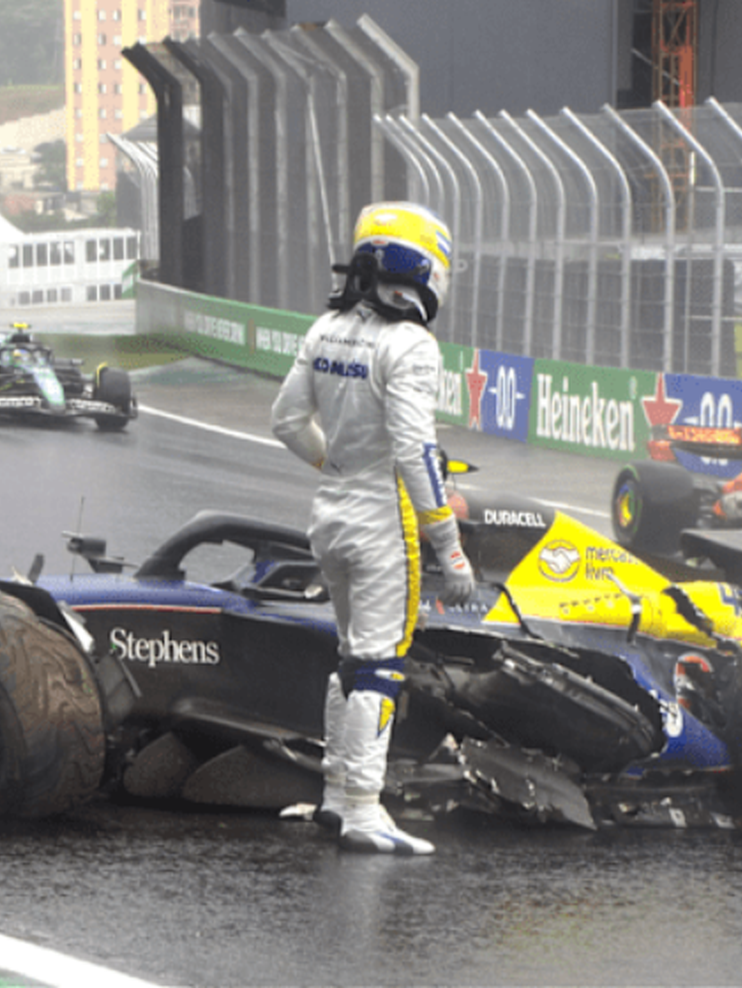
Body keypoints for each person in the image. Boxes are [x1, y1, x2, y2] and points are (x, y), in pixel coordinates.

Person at [270, 201, 476, 856]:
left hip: (328, 513)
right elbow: (418, 452)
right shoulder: (410, 344)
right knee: (382, 665)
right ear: (421, 268)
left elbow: (285, 421)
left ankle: (336, 797)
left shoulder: (324, 329)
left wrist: (337, 466)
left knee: (350, 658)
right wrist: (450, 548)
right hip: (381, 519)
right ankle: (363, 806)